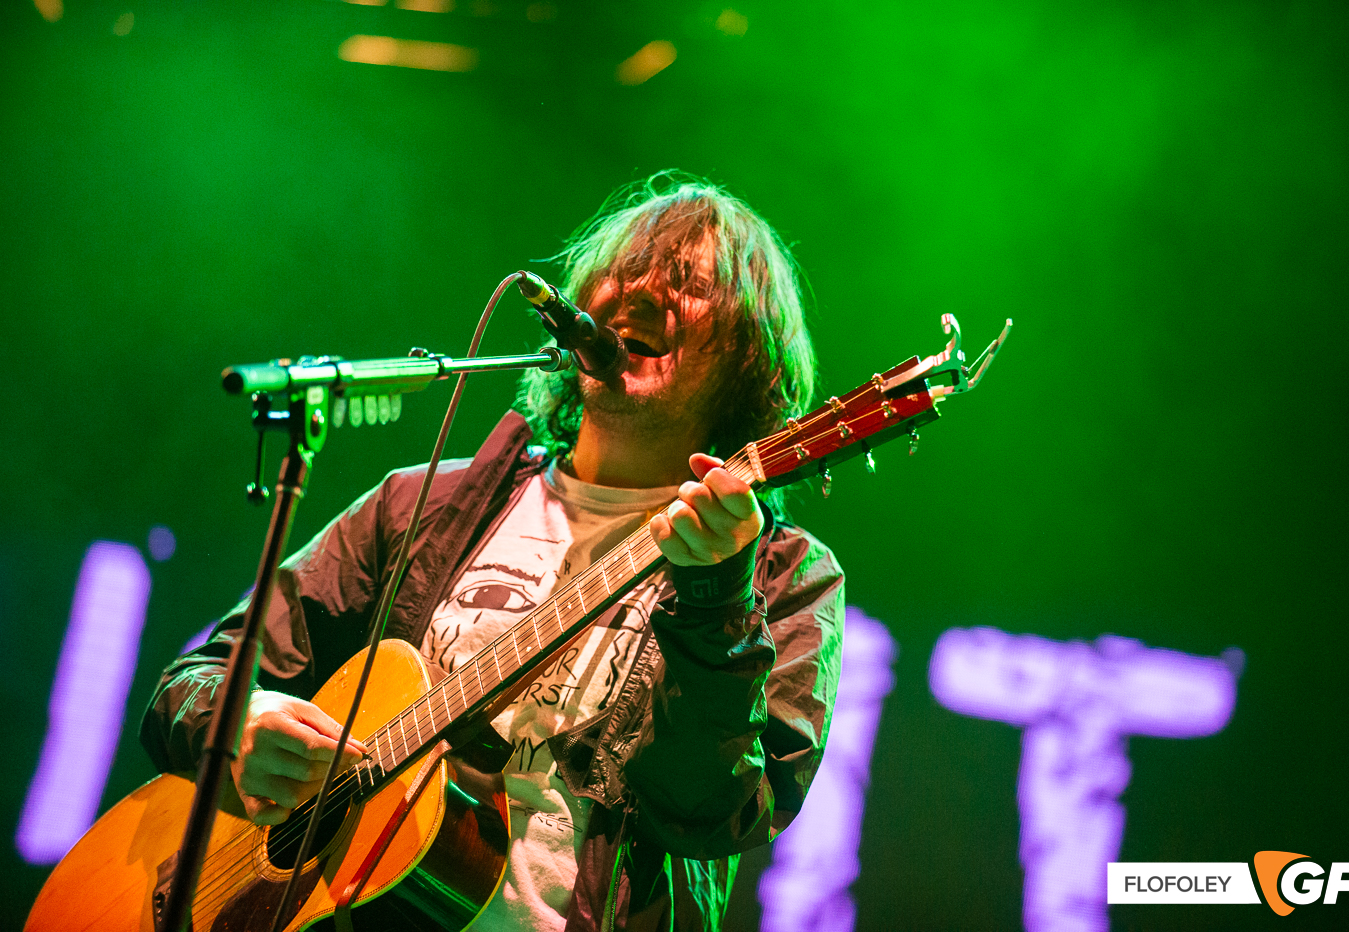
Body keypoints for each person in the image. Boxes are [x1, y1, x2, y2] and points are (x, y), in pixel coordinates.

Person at [140, 175, 846, 931]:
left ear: (747, 357)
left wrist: (715, 598)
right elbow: (194, 679)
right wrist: (239, 721)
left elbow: (709, 814)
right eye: (624, 270)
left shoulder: (779, 578)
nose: (640, 293)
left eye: (689, 284)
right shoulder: (421, 506)